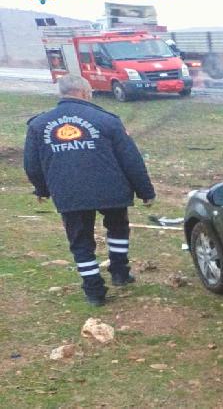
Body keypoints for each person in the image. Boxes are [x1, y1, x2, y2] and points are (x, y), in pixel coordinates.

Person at [23, 75, 155, 306]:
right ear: (85, 92)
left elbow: (32, 164)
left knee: (80, 240)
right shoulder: (107, 120)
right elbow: (131, 160)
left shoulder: (38, 125)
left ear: (61, 93)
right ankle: (119, 272)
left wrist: (41, 190)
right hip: (110, 188)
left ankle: (94, 291)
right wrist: (145, 192)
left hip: (68, 191)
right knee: (117, 228)